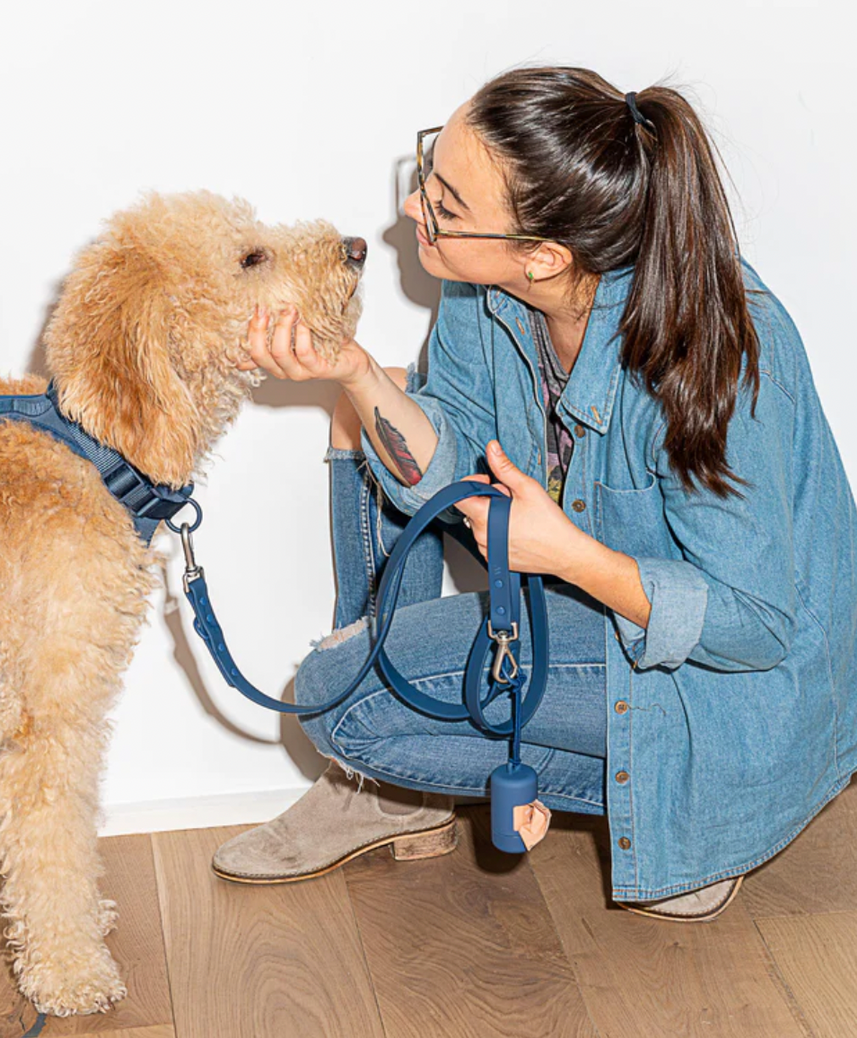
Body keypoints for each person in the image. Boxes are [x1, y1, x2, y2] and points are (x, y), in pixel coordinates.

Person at [212, 65, 857, 922]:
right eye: (428, 172)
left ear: (545, 255)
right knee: (369, 417)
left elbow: (757, 624)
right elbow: (445, 475)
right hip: (591, 605)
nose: (414, 210)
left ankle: (685, 806)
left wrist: (569, 555)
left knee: (340, 694)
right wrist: (354, 371)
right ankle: (394, 793)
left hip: (725, 685)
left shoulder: (716, 346)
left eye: (446, 203)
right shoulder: (488, 290)